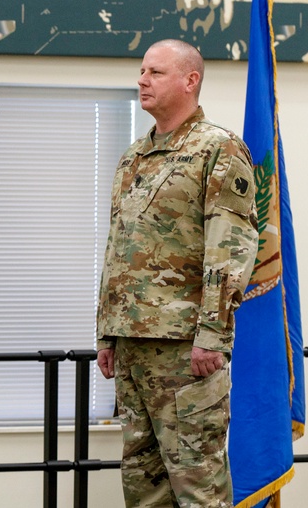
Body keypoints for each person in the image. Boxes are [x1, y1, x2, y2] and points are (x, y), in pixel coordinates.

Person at [95, 39, 258, 507]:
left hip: (185, 347)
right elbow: (118, 249)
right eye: (142, 70)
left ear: (191, 81)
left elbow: (229, 249)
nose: (142, 79)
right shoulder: (133, 156)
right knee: (143, 485)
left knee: (197, 484)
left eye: (156, 72)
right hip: (132, 343)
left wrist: (213, 332)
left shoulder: (218, 149)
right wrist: (106, 333)